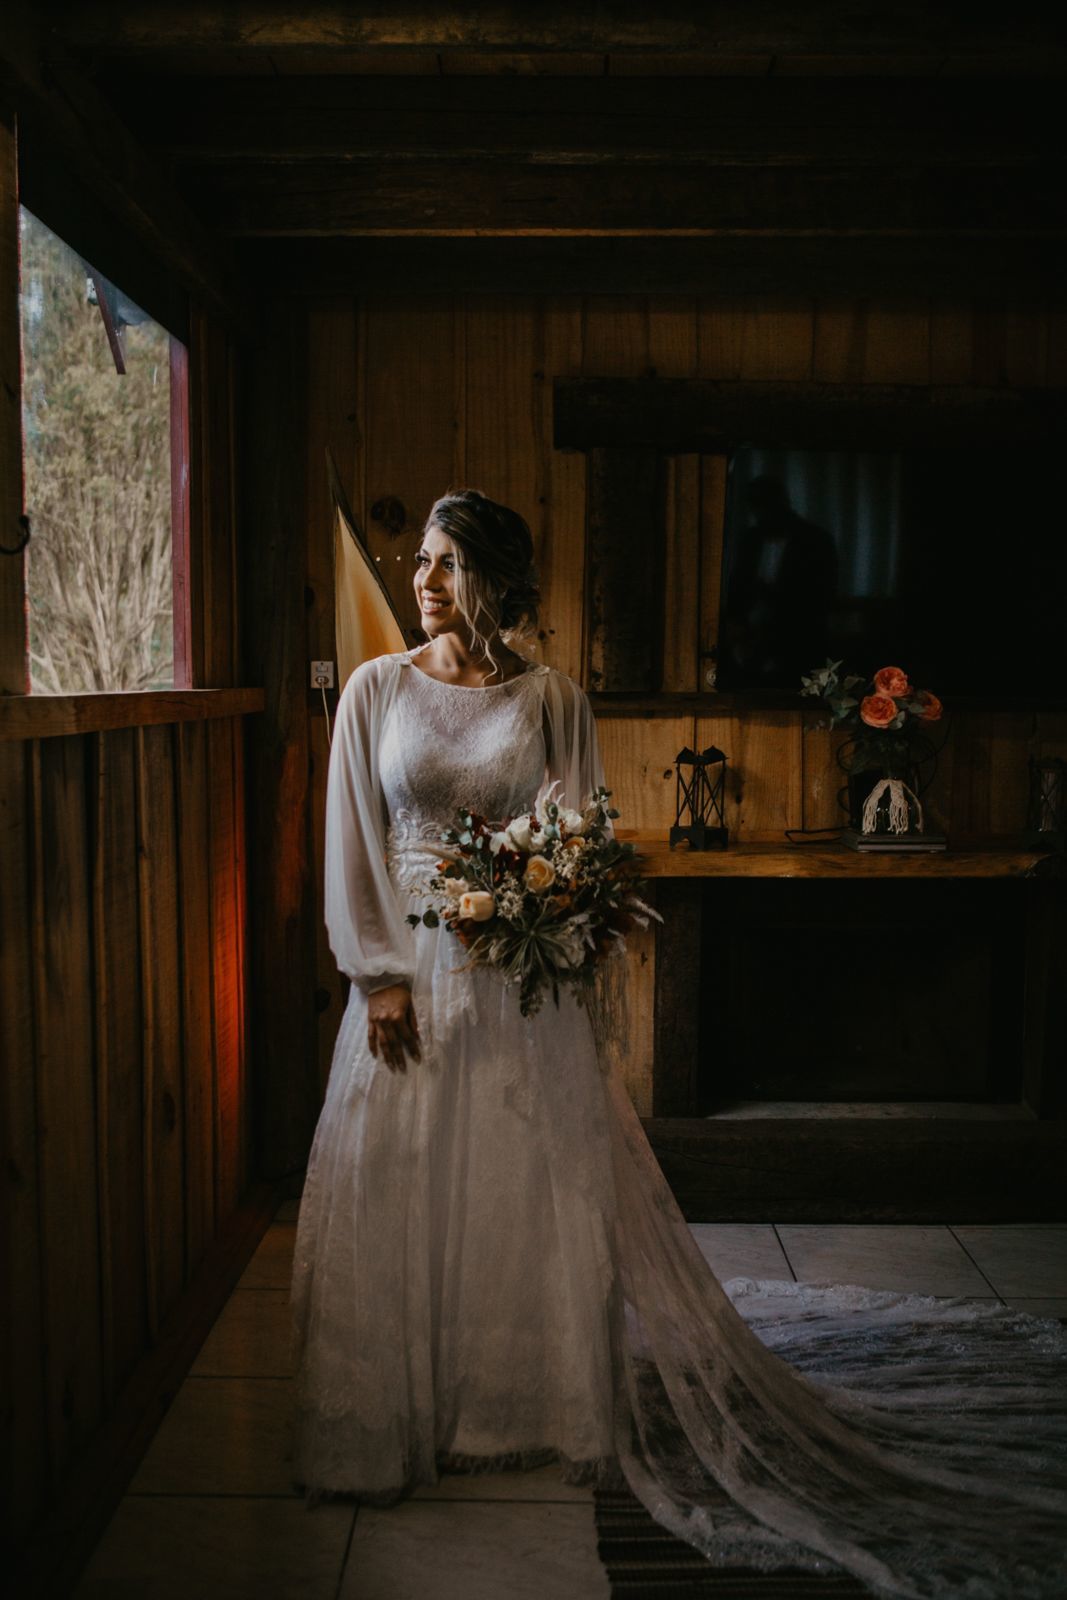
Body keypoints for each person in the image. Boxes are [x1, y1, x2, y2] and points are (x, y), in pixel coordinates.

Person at [290, 489, 1067, 1598]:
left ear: (497, 580)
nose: (424, 578)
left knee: (518, 1186)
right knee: (402, 1179)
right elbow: (351, 840)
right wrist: (371, 974)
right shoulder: (374, 690)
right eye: (419, 558)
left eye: (448, 560)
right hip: (409, 976)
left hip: (519, 980)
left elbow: (583, 830)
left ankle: (513, 1400)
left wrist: (549, 918)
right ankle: (396, 1407)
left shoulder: (552, 697)